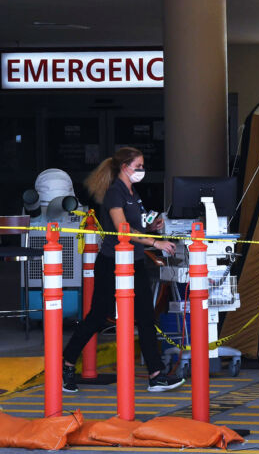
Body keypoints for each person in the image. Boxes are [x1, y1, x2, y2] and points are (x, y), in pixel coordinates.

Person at [62, 147, 184, 393]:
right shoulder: (114, 193)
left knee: (147, 317)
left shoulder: (132, 192)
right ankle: (65, 363)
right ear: (124, 167)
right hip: (112, 262)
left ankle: (156, 374)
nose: (141, 170)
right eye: (137, 166)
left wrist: (153, 227)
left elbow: (136, 225)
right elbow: (123, 230)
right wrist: (155, 242)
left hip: (135, 261)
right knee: (98, 316)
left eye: (142, 165)